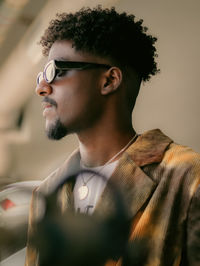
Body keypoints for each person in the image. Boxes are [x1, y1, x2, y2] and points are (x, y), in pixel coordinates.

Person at [25, 6, 200, 266]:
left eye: (55, 71)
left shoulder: (187, 175)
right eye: (41, 75)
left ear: (109, 80)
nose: (41, 87)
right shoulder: (46, 194)